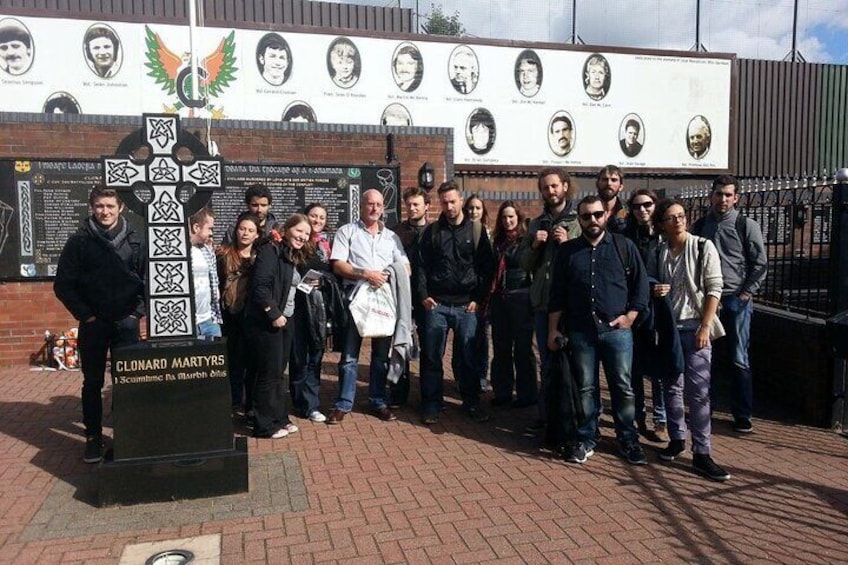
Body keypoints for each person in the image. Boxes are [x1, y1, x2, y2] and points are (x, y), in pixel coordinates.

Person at [547, 195, 649, 465]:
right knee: (586, 389)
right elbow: (556, 294)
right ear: (578, 220)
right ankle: (587, 438)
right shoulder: (568, 252)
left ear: (605, 216)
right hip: (581, 332)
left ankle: (628, 440)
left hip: (617, 332)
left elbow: (641, 287)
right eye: (586, 216)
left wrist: (630, 317)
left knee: (623, 388)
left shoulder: (623, 246)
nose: (592, 220)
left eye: (597, 214)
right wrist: (553, 330)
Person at [54, 185, 145, 463]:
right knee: (92, 382)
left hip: (126, 323)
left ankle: (127, 434)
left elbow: (148, 281)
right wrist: (86, 315)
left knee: (127, 381)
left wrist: (136, 313)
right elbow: (63, 285)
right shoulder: (79, 243)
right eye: (99, 207)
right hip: (93, 323)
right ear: (92, 208)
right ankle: (93, 437)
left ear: (121, 208)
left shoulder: (136, 241)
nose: (105, 212)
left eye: (110, 206)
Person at [650, 200, 730, 481]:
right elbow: (650, 282)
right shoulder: (659, 250)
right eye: (671, 218)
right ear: (661, 223)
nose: (678, 221)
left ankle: (702, 453)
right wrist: (654, 289)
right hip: (670, 329)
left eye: (681, 216)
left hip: (696, 327)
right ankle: (676, 439)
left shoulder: (701, 246)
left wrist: (705, 326)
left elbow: (715, 288)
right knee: (671, 387)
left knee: (699, 393)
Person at [691, 175, 767, 433]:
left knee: (738, 358)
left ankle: (742, 414)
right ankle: (704, 409)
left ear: (736, 198)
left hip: (735, 298)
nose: (722, 199)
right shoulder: (700, 225)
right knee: (704, 357)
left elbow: (760, 264)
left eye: (728, 195)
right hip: (707, 299)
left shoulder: (746, 225)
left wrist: (745, 294)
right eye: (718, 194)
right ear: (711, 195)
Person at [415, 181, 495, 425]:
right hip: (437, 305)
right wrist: (423, 295)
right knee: (431, 356)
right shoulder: (431, 232)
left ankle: (471, 402)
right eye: (444, 202)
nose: (449, 206)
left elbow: (487, 267)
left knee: (469, 356)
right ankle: (431, 404)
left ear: (461, 201)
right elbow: (420, 266)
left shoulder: (476, 231)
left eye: (453, 201)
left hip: (466, 306)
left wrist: (478, 300)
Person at [329, 189, 408, 424]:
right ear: (361, 206)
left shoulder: (392, 237)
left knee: (381, 356)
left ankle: (378, 400)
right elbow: (338, 265)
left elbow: (405, 265)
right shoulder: (348, 232)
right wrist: (366, 274)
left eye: (378, 204)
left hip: (384, 301)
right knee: (350, 356)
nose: (374, 208)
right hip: (357, 301)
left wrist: (392, 273)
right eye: (370, 204)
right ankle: (344, 403)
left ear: (383, 207)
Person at [518, 167, 580, 433]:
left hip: (571, 305)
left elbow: (588, 258)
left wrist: (568, 242)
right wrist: (534, 245)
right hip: (543, 304)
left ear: (565, 186)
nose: (550, 191)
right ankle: (547, 416)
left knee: (576, 363)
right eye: (545, 187)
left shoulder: (579, 220)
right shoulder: (536, 223)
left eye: (554, 186)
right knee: (547, 361)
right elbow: (523, 263)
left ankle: (576, 419)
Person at [243, 214, 310, 439]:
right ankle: (263, 424)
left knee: (278, 373)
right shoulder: (270, 251)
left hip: (286, 320)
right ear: (287, 229)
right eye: (299, 231)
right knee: (268, 373)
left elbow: (287, 286)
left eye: (307, 234)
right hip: (268, 322)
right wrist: (273, 313)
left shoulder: (291, 255)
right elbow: (260, 287)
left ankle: (279, 417)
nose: (302, 236)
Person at [622, 189, 668, 441]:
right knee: (635, 367)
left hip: (659, 307)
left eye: (647, 205)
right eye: (637, 206)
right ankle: (638, 415)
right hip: (632, 308)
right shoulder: (626, 235)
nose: (642, 210)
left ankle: (660, 418)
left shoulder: (664, 236)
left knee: (658, 368)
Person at [487, 200, 536, 408]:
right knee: (501, 348)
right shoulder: (496, 240)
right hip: (500, 299)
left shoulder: (526, 240)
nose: (508, 221)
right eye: (504, 217)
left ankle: (527, 394)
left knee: (523, 349)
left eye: (511, 217)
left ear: (518, 217)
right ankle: (503, 392)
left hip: (521, 298)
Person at [290, 203, 334, 423]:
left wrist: (324, 281)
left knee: (316, 356)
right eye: (313, 216)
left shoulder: (327, 245)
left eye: (321, 217)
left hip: (319, 309)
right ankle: (300, 401)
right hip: (298, 308)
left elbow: (334, 274)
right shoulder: (297, 243)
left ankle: (311, 404)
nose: (317, 221)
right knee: (299, 357)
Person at [391, 186, 431, 408]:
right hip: (401, 298)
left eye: (416, 204)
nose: (412, 208)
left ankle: (428, 395)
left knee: (428, 348)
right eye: (409, 204)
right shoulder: (396, 232)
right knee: (400, 344)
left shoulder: (435, 231)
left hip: (426, 298)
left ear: (427, 206)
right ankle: (398, 392)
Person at [217, 212, 261, 414]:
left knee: (252, 360)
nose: (245, 233)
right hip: (230, 315)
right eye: (242, 229)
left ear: (257, 235)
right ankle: (234, 401)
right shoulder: (224, 255)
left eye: (250, 230)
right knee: (233, 360)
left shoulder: (260, 258)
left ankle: (250, 402)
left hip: (251, 315)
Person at [464, 193, 492, 393]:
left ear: (483, 211)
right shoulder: (465, 231)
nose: (474, 211)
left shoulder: (489, 233)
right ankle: (464, 376)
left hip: (486, 295)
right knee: (468, 338)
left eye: (478, 208)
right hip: (468, 294)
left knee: (482, 337)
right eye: (471, 208)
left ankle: (482, 374)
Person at [189, 207, 222, 339]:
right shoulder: (178, 253)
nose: (211, 233)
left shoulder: (207, 251)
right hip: (189, 322)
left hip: (209, 319)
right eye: (209, 229)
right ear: (196, 227)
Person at [596, 165, 629, 234]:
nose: (609, 183)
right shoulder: (586, 209)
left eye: (614, 180)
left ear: (621, 187)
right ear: (597, 184)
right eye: (605, 179)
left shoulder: (628, 212)